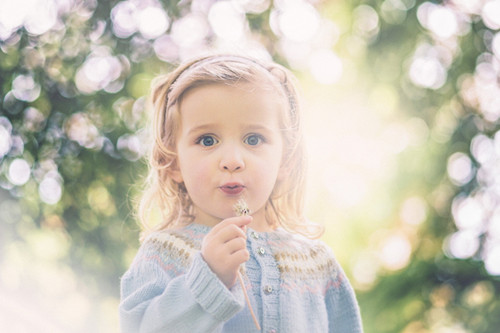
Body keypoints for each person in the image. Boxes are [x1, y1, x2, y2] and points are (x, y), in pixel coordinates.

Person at [119, 54, 363, 333]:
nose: (232, 159)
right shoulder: (163, 254)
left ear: (285, 160)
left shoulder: (317, 264)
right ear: (173, 162)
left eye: (254, 139)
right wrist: (208, 279)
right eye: (207, 140)